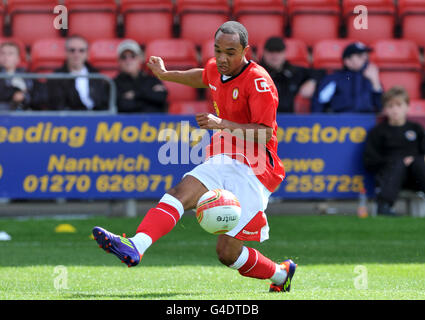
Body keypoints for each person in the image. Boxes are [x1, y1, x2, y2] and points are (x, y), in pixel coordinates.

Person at [92, 21, 297, 293]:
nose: (222, 58)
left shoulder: (259, 81)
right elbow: (203, 75)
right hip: (223, 157)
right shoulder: (217, 67)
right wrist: (166, 75)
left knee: (227, 253)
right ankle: (136, 246)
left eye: (231, 52)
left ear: (246, 50)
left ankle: (282, 275)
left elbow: (265, 133)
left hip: (255, 170)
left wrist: (221, 123)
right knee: (180, 192)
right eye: (218, 50)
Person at [363, 86, 425, 216]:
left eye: (399, 105)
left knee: (419, 163)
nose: (395, 110)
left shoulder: (417, 129)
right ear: (385, 109)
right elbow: (369, 161)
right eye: (390, 106)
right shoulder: (378, 132)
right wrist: (396, 162)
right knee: (397, 164)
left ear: (407, 107)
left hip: (415, 176)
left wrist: (413, 160)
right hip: (390, 177)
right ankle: (384, 206)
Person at [312, 42, 383, 113]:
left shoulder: (371, 78)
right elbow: (319, 102)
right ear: (347, 61)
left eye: (366, 56)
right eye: (359, 56)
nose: (365, 58)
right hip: (341, 121)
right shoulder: (334, 78)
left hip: (367, 121)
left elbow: (381, 107)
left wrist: (375, 82)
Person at [260, 36, 325, 113]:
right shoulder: (255, 72)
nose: (275, 55)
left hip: (291, 120)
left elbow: (320, 72)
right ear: (264, 53)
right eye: (271, 51)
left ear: (284, 53)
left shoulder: (293, 71)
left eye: (278, 51)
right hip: (262, 119)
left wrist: (312, 81)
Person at [47, 35, 109, 111]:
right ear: (66, 52)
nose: (76, 54)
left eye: (81, 50)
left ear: (87, 53)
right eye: (72, 50)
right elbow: (58, 105)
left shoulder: (97, 76)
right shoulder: (56, 78)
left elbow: (104, 103)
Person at [114, 39, 168, 113]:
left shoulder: (152, 80)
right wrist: (149, 98)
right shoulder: (114, 84)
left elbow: (161, 97)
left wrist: (135, 95)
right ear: (119, 61)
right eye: (123, 57)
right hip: (128, 123)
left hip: (154, 123)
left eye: (133, 56)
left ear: (140, 58)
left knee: (185, 123)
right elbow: (122, 106)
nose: (128, 60)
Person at [0, 42, 34, 111]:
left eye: (10, 53)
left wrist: (23, 97)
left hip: (23, 111)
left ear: (18, 58)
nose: (6, 57)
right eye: (2, 53)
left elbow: (34, 96)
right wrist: (15, 93)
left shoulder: (26, 75)